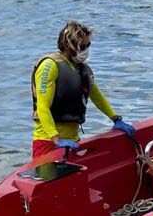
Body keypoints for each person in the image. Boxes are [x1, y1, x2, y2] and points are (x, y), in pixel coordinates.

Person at [31, 21, 135, 159]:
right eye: (82, 46)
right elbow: (42, 106)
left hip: (73, 140)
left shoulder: (82, 69)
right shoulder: (49, 66)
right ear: (68, 45)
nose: (85, 50)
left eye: (88, 45)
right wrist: (56, 139)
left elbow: (97, 96)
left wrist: (116, 119)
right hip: (48, 141)